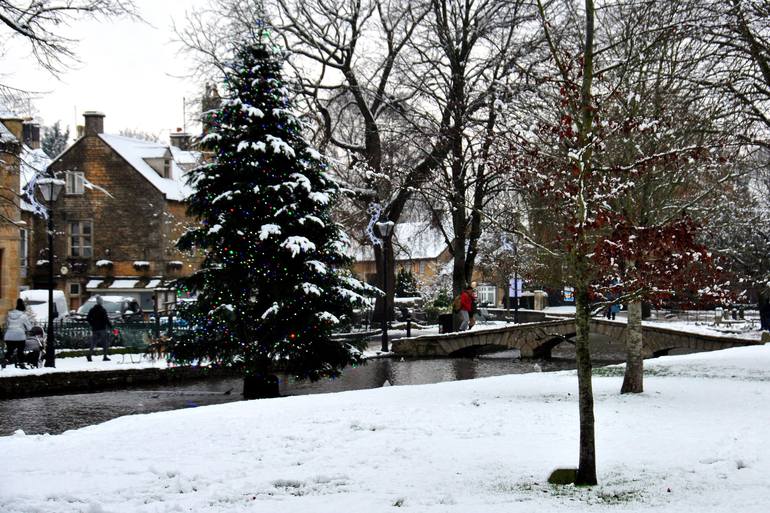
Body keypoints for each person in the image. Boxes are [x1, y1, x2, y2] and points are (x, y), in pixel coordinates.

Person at [3, 298, 32, 369]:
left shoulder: (8, 315)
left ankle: (6, 360)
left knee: (10, 350)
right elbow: (29, 327)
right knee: (20, 351)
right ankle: (21, 363)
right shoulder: (23, 316)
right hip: (20, 336)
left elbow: (5, 325)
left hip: (9, 336)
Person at [86, 295, 112, 362]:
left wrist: (93, 324)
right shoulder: (103, 310)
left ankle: (89, 355)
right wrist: (111, 326)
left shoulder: (92, 310)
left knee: (93, 343)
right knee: (105, 343)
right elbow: (106, 319)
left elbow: (88, 318)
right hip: (102, 329)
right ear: (101, 302)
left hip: (94, 329)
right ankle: (105, 356)